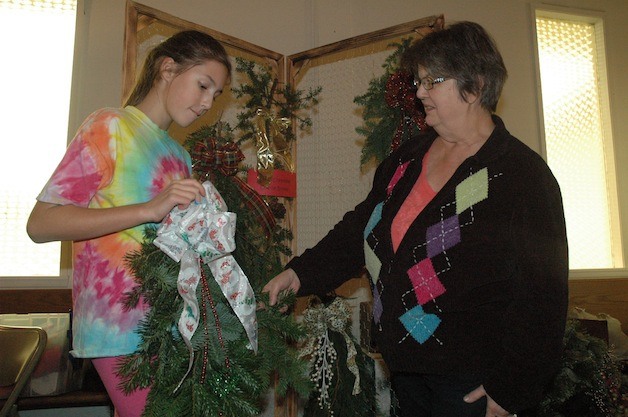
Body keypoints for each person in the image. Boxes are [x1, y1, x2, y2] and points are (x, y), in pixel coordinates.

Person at [263, 21, 568, 417]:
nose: (419, 92)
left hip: (473, 385)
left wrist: (511, 389)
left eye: (432, 81)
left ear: (474, 86)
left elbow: (543, 296)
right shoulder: (406, 160)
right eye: (419, 81)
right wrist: (301, 274)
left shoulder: (520, 176)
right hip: (407, 371)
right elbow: (361, 230)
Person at [27, 30, 231, 417]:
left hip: (171, 324)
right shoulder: (109, 126)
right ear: (168, 69)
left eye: (215, 95)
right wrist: (148, 209)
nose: (207, 103)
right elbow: (41, 224)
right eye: (203, 85)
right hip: (117, 326)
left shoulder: (180, 155)